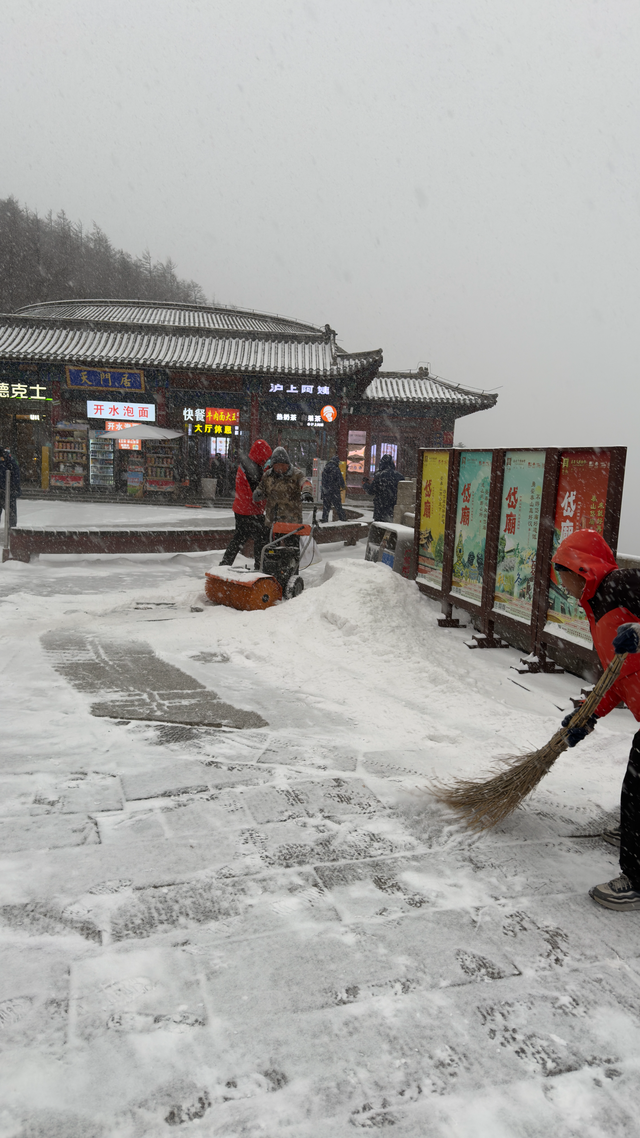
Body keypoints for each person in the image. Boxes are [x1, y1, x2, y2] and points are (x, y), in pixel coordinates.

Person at [552, 528, 640, 911]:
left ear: (581, 567)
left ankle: (636, 880)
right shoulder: (596, 607)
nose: (560, 582)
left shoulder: (622, 584)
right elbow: (618, 678)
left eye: (562, 572)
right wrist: (588, 716)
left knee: (637, 789)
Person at [219, 439, 272, 569]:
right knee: (262, 537)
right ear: (261, 454)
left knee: (239, 539)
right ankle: (260, 566)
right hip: (250, 511)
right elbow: (258, 493)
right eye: (265, 457)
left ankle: (224, 565)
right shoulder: (253, 469)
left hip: (241, 509)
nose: (266, 460)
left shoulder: (247, 464)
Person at [252, 445, 304, 526]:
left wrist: (307, 491)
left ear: (288, 464)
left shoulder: (297, 474)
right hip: (272, 520)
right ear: (273, 465)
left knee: (291, 538)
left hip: (292, 521)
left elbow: (305, 483)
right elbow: (262, 488)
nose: (280, 468)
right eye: (277, 465)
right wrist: (258, 493)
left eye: (283, 465)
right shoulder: (267, 475)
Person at [362, 453, 403, 522]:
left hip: (380, 507)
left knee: (379, 528)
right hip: (393, 507)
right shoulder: (399, 476)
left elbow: (371, 491)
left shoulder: (379, 475)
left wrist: (365, 484)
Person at [320, 455, 346, 522]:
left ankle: (324, 518)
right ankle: (342, 518)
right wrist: (343, 486)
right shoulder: (336, 469)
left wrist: (324, 490)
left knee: (326, 507)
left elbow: (323, 480)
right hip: (334, 491)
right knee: (338, 506)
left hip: (326, 492)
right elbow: (340, 479)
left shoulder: (325, 468)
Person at [0, 448, 20, 529]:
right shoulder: (9, 459)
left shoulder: (8, 459)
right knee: (11, 513)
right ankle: (11, 531)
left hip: (8, 491)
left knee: (11, 513)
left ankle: (11, 532)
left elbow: (15, 473)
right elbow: (16, 473)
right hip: (8, 490)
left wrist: (13, 487)